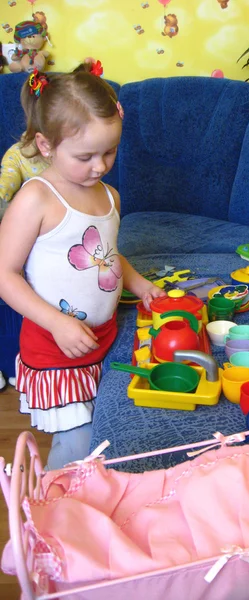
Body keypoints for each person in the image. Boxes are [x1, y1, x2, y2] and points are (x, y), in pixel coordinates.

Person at [0, 64, 166, 469]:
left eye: (109, 152)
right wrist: (57, 323)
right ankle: (56, 517)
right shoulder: (36, 198)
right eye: (85, 156)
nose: (100, 166)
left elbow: (108, 256)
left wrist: (141, 284)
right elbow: (5, 275)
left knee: (102, 439)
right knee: (74, 449)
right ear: (45, 145)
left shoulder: (109, 196)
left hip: (104, 338)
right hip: (56, 346)